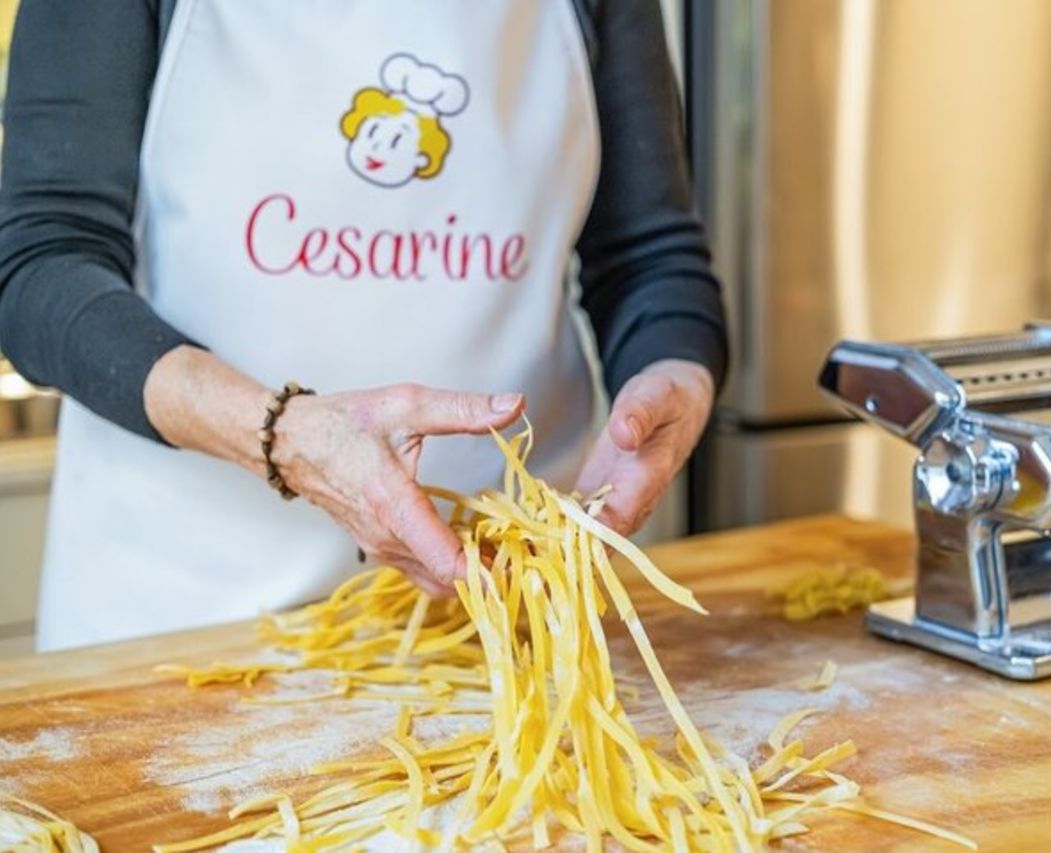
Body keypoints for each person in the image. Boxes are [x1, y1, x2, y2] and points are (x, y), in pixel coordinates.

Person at [0, 0, 726, 651]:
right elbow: (39, 264)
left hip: (500, 616)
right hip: (185, 620)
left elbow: (647, 256)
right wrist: (284, 436)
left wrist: (675, 376)